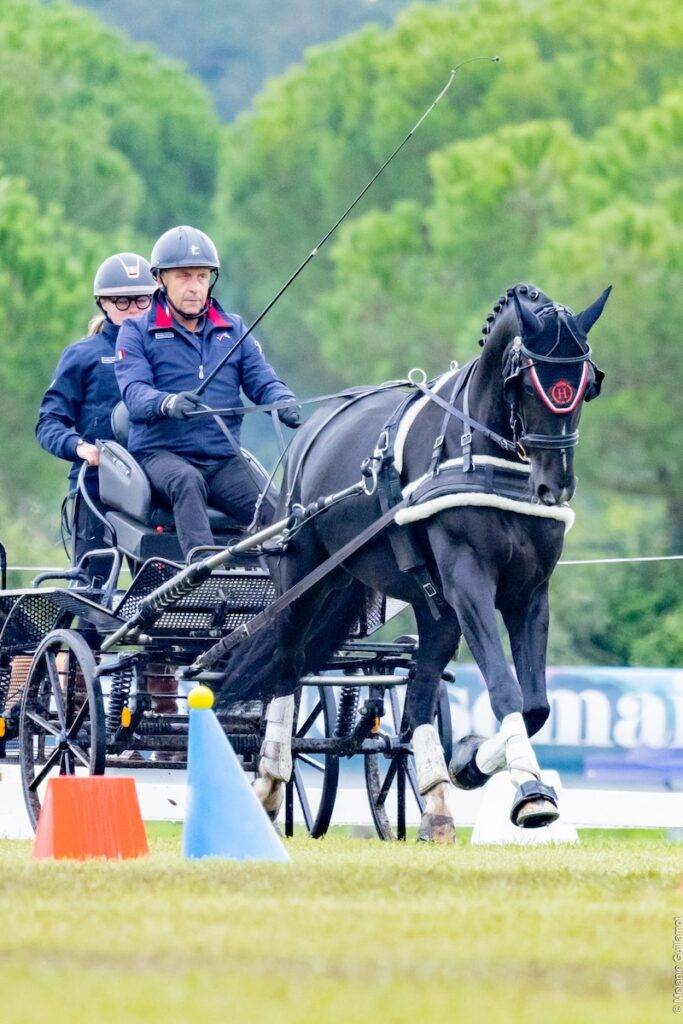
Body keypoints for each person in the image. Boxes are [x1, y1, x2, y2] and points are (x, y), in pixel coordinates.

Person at [115, 225, 300, 559]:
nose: (195, 287)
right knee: (187, 481)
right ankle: (201, 568)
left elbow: (261, 379)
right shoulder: (136, 331)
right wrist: (167, 402)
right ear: (160, 279)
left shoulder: (233, 328)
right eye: (184, 276)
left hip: (222, 459)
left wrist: (282, 399)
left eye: (202, 276)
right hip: (161, 455)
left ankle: (280, 576)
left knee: (275, 511)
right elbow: (135, 393)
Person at [36, 253, 157, 582]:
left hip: (154, 491)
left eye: (142, 300)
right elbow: (48, 422)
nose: (133, 309)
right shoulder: (83, 355)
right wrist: (79, 447)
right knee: (93, 589)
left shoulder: (166, 353)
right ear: (103, 303)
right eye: (122, 301)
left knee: (162, 592)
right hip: (97, 489)